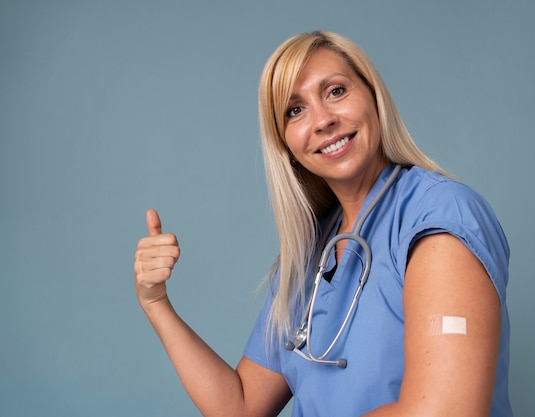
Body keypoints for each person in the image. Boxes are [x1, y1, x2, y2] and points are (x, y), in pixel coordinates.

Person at [134, 30, 513, 417]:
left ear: (373, 97)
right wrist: (156, 303)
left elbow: (447, 410)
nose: (323, 121)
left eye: (335, 91)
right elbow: (242, 406)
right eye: (295, 110)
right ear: (286, 146)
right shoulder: (310, 260)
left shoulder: (439, 216)